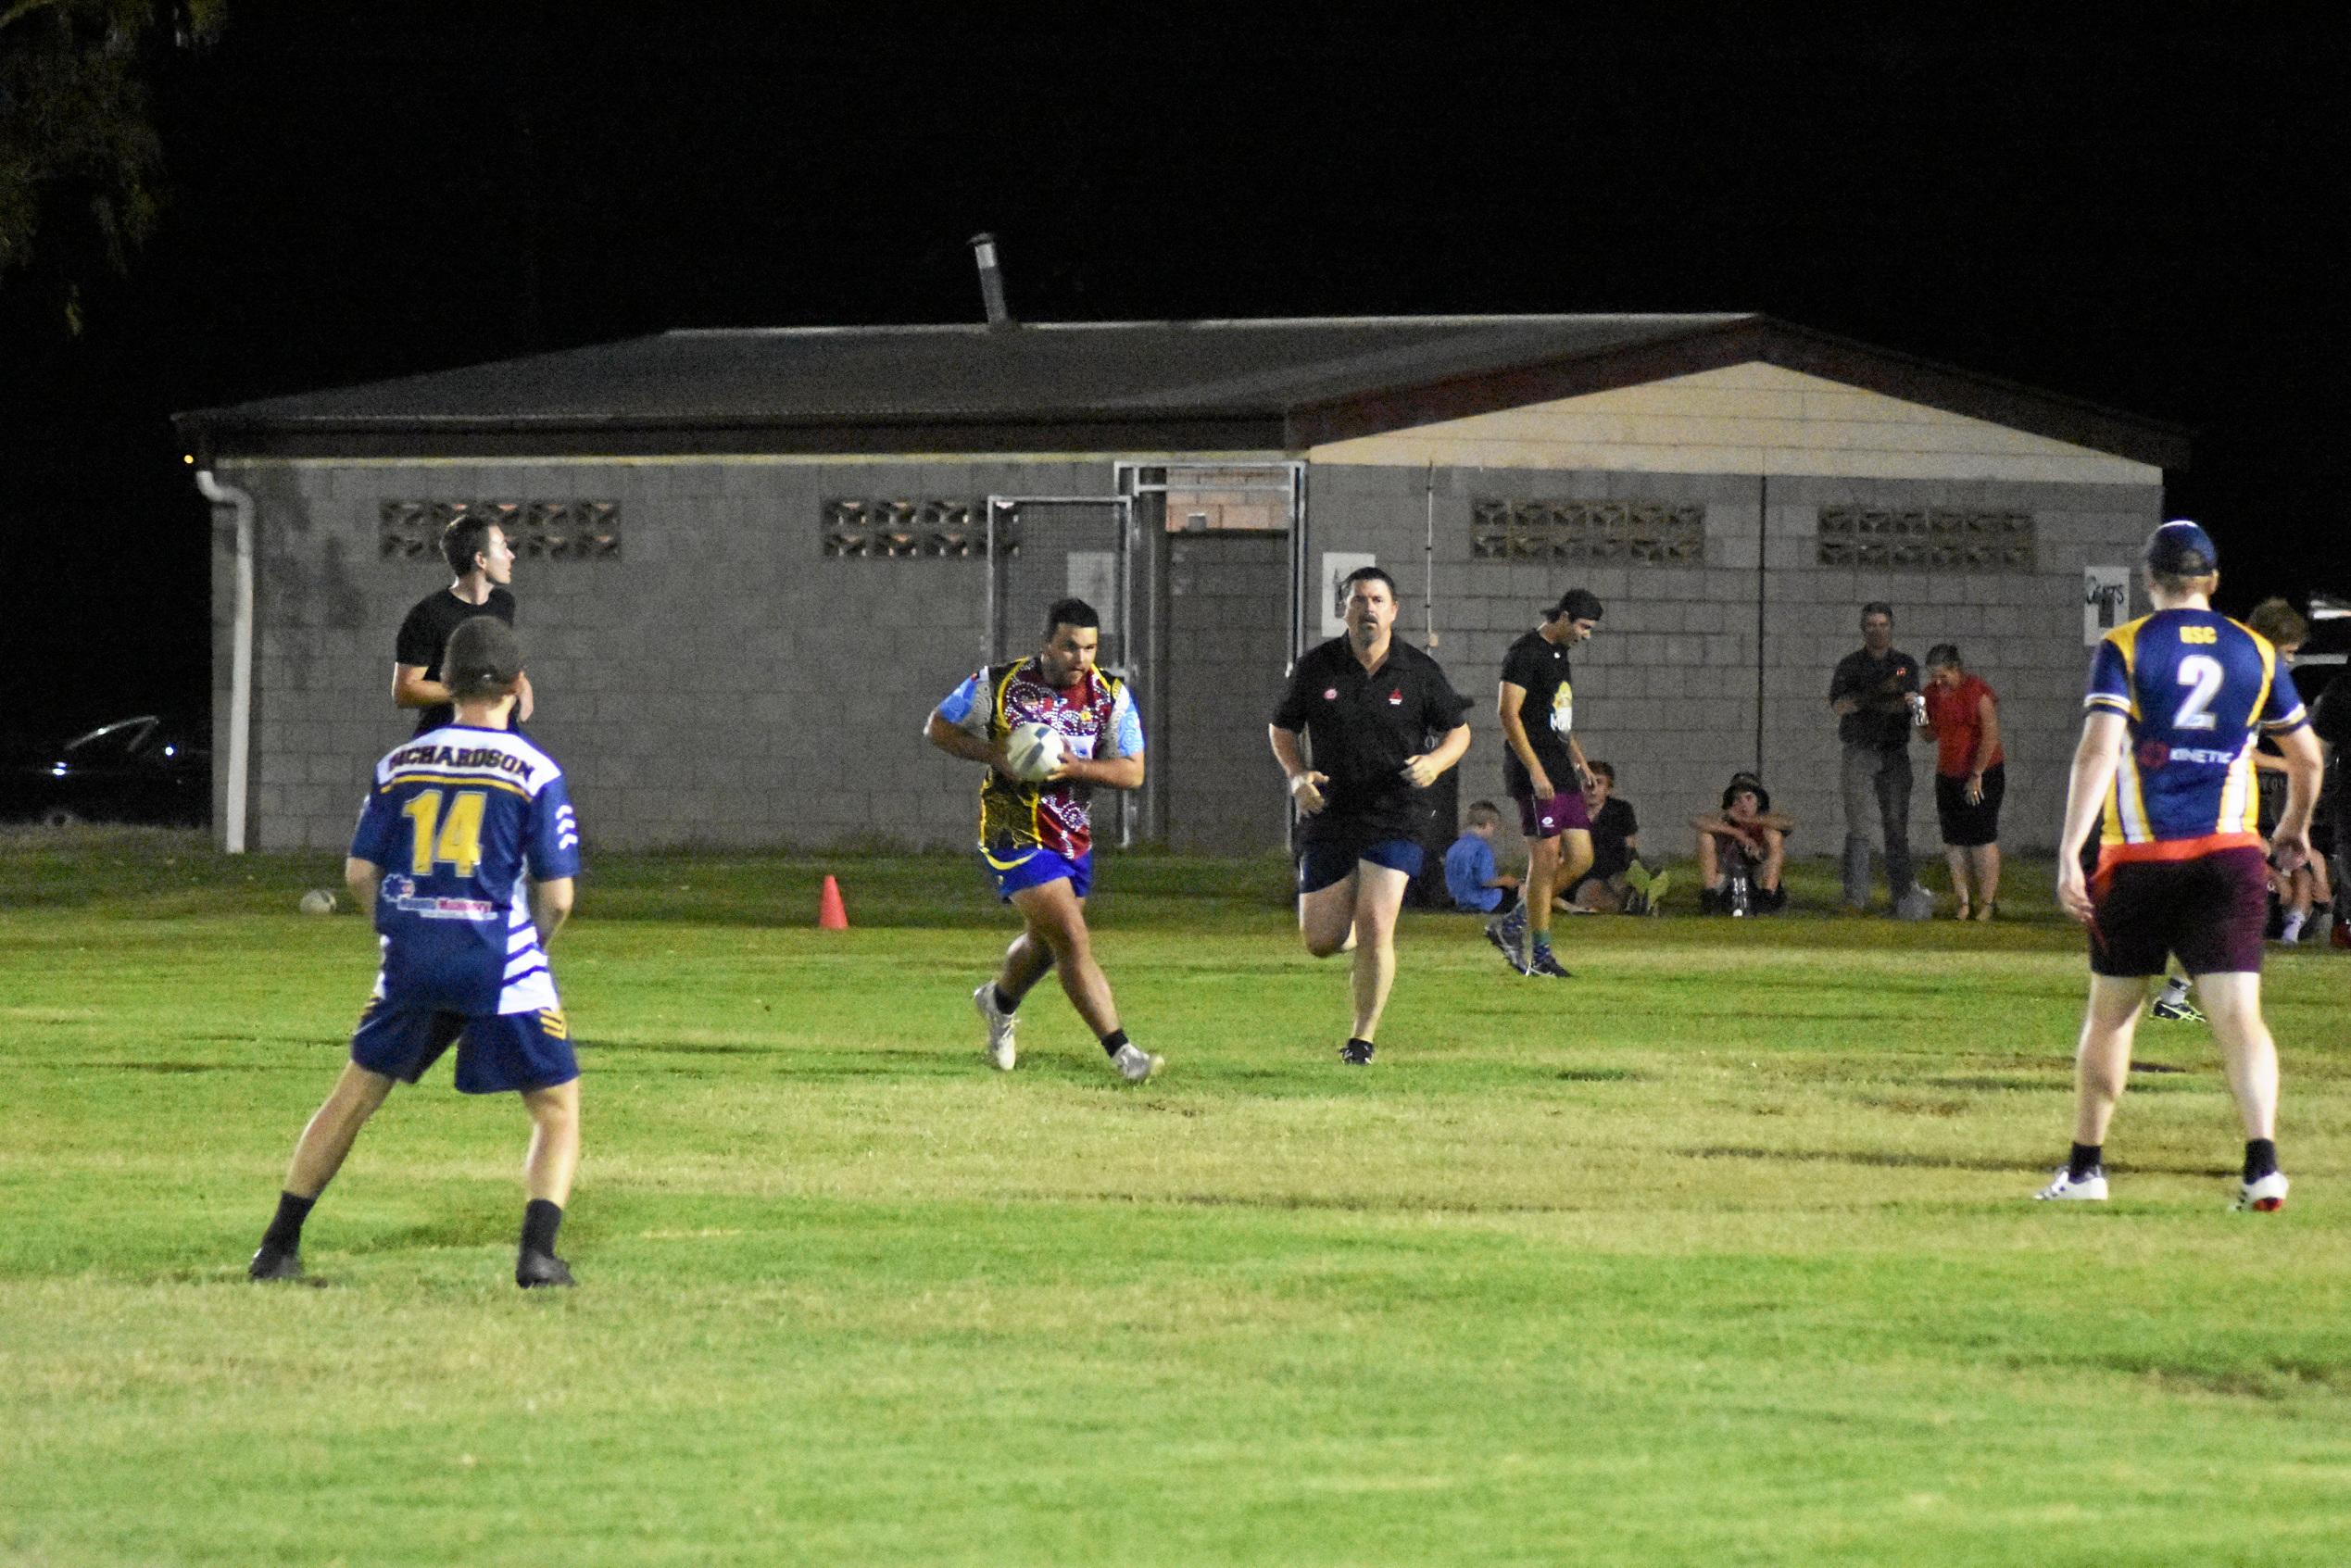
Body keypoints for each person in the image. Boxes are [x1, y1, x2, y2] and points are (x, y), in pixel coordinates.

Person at [249, 616, 585, 1287]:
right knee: (554, 1108)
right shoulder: (535, 770)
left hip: (412, 957)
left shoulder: (399, 764)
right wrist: (533, 949)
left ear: (448, 685)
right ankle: (537, 1255)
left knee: (352, 1098)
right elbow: (559, 895)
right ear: (518, 686)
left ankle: (277, 1248)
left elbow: (357, 873)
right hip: (499, 962)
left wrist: (394, 931)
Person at [2037, 521, 2320, 1210]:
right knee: (2239, 1019)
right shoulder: (2257, 650)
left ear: (2149, 579)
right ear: (2214, 581)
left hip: (2140, 855)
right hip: (2227, 854)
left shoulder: (2127, 645)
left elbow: (2098, 750)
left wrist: (2071, 851)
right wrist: (2293, 826)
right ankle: (2262, 1164)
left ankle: (2086, 1168)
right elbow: (2309, 756)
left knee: (2111, 1016)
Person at [926, 599, 1158, 1082]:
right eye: (1070, 646)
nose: (1081, 658)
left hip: (1070, 835)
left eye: (1091, 648)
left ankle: (998, 1002)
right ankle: (1122, 1051)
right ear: (1047, 644)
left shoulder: (1110, 696)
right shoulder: (999, 683)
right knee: (1073, 938)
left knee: (1045, 945)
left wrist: (1078, 768)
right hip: (1010, 828)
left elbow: (1133, 772)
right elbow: (939, 727)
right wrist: (996, 753)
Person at [1269, 565, 1473, 1065]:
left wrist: (1435, 762)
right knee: (1321, 941)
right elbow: (1281, 729)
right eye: (1358, 600)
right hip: (1331, 812)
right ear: (1344, 610)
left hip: (1396, 812)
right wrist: (1298, 777)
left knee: (1380, 927)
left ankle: (1362, 1039)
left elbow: (1459, 732)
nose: (1368, 609)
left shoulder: (1419, 671)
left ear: (1393, 610)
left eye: (1377, 600)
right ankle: (1358, 932)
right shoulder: (1317, 667)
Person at [1487, 588, 1604, 977]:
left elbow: (1559, 717)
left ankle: (1511, 924)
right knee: (1545, 860)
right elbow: (1508, 714)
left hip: (1560, 768)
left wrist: (1581, 762)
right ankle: (1540, 954)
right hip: (1534, 770)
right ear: (1565, 617)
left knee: (1582, 858)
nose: (1587, 635)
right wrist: (1535, 770)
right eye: (1584, 627)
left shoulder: (1560, 655)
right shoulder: (1525, 653)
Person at [1828, 603, 1930, 918]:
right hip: (1859, 749)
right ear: (1863, 628)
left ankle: (1902, 896)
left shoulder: (1903, 664)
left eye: (1883, 624)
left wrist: (1886, 700)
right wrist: (1882, 696)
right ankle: (1856, 897)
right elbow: (1841, 705)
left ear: (1891, 627)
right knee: (1858, 825)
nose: (1877, 630)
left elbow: (1914, 701)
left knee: (1896, 826)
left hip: (1894, 752)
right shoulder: (1850, 665)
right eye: (1871, 625)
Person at [394, 516, 536, 736]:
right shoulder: (427, 615)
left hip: (497, 736)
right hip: (443, 743)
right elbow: (404, 691)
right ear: (481, 559)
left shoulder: (504, 604)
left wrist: (522, 685)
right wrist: (475, 692)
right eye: (503, 547)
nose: (511, 555)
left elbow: (499, 666)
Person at [2244, 599, 2331, 942]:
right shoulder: (2254, 675)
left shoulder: (2234, 662)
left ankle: (2175, 992)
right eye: (2287, 652)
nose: (2290, 661)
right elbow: (2247, 752)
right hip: (2216, 797)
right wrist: (2291, 763)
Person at [1921, 644, 2005, 921]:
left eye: (1943, 675)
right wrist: (1918, 709)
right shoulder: (1932, 694)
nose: (1938, 681)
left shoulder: (1977, 691)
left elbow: (1990, 735)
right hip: (1948, 774)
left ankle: (1987, 903)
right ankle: (1963, 901)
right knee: (1954, 840)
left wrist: (1977, 774)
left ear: (1956, 669)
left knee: (1982, 838)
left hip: (1983, 772)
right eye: (1934, 675)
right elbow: (1927, 735)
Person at [1565, 761, 1667, 914]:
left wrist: (1634, 869)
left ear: (1608, 789)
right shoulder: (1569, 812)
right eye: (1586, 782)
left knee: (1622, 882)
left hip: (1616, 870)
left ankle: (1642, 897)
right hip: (1585, 875)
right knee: (1587, 894)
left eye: (1598, 783)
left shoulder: (1621, 810)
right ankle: (1636, 906)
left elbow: (1630, 847)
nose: (1592, 788)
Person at [1692, 772, 1793, 914]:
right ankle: (1710, 895)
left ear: (1758, 801)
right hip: (1727, 875)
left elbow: (1787, 823)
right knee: (1705, 836)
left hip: (1758, 875)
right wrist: (1737, 833)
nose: (1743, 804)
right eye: (1737, 799)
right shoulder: (1724, 821)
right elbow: (1698, 822)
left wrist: (1747, 821)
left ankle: (1767, 895)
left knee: (1774, 835)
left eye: (1748, 798)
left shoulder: (1765, 821)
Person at [1442, 800, 1518, 914]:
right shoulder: (1482, 848)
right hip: (1484, 903)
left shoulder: (1454, 847)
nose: (1494, 831)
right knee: (1522, 891)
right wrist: (1506, 880)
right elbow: (1485, 880)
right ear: (1488, 824)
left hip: (1461, 901)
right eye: (1494, 827)